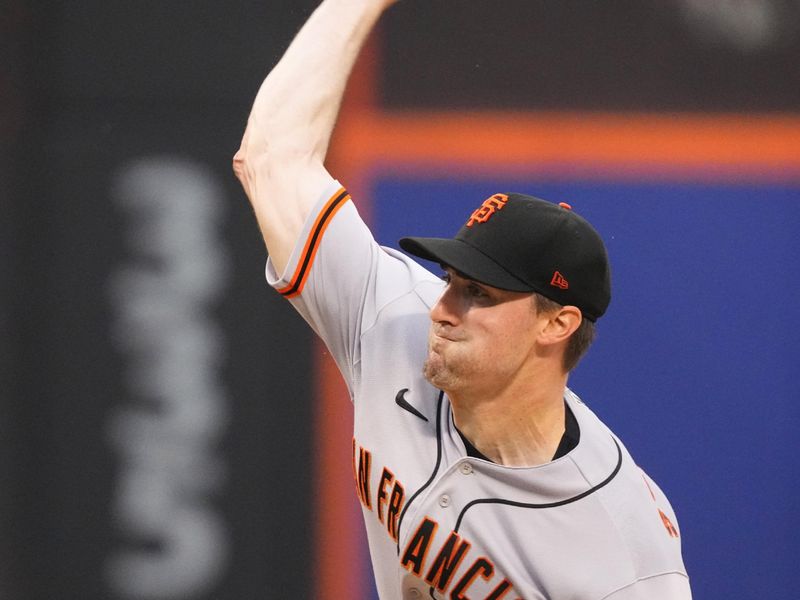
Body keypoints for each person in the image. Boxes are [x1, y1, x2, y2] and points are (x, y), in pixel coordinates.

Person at [233, 1, 692, 598]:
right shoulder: (394, 321)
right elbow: (272, 160)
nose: (444, 308)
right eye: (450, 279)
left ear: (556, 323)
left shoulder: (624, 553)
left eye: (479, 292)